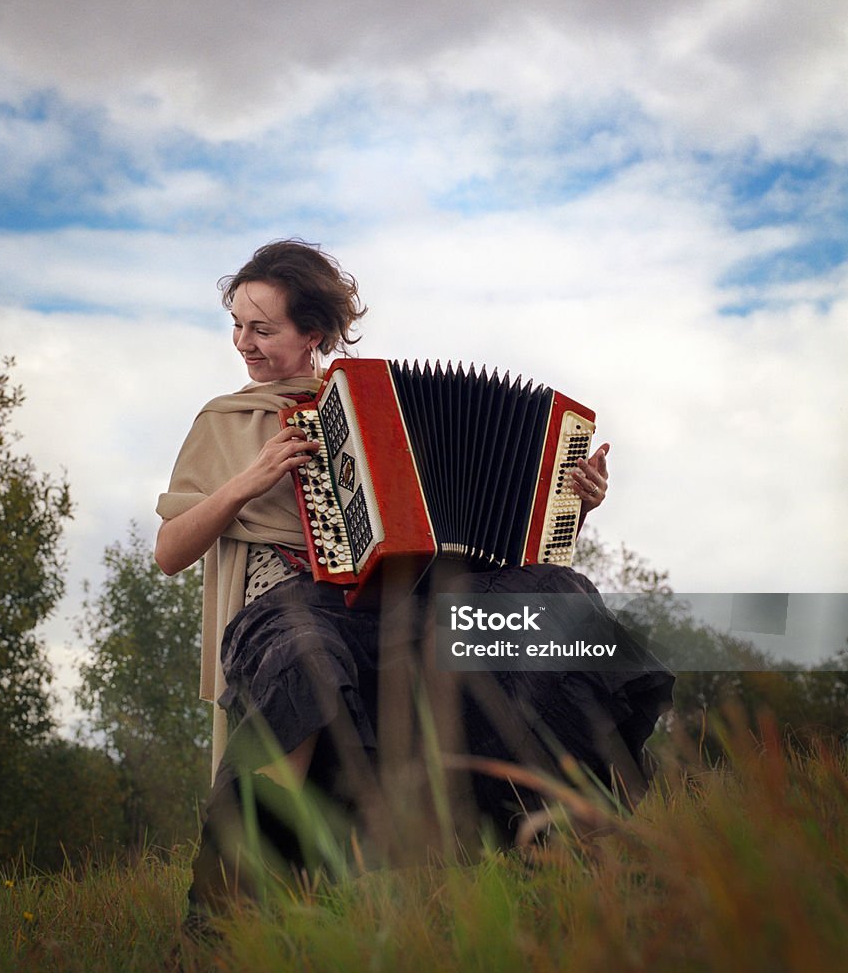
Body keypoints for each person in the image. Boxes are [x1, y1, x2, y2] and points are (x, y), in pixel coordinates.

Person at [154, 239, 672, 914]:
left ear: (312, 333)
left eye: (262, 328)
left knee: (557, 602)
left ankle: (562, 848)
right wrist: (250, 481)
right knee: (305, 656)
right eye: (237, 326)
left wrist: (573, 505)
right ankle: (230, 908)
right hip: (288, 603)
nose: (243, 343)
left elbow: (498, 543)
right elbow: (169, 550)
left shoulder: (377, 411)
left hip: (400, 606)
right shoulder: (225, 422)